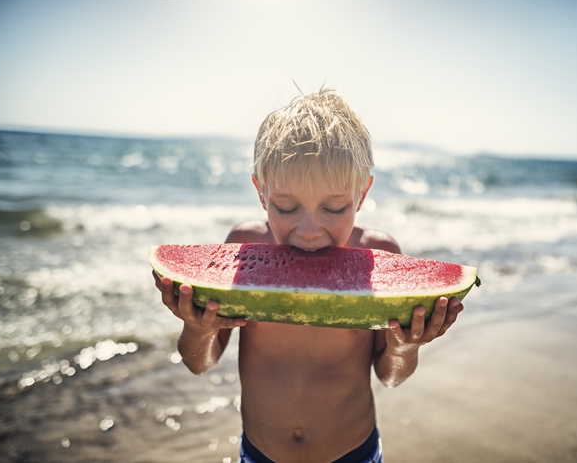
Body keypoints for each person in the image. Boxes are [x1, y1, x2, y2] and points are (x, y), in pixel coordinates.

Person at [153, 88, 465, 463]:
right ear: (261, 192)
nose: (309, 231)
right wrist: (198, 328)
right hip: (259, 454)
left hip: (353, 453)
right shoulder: (241, 245)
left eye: (334, 208)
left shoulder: (379, 254)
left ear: (362, 194)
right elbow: (198, 363)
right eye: (286, 207)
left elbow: (390, 377)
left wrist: (405, 345)